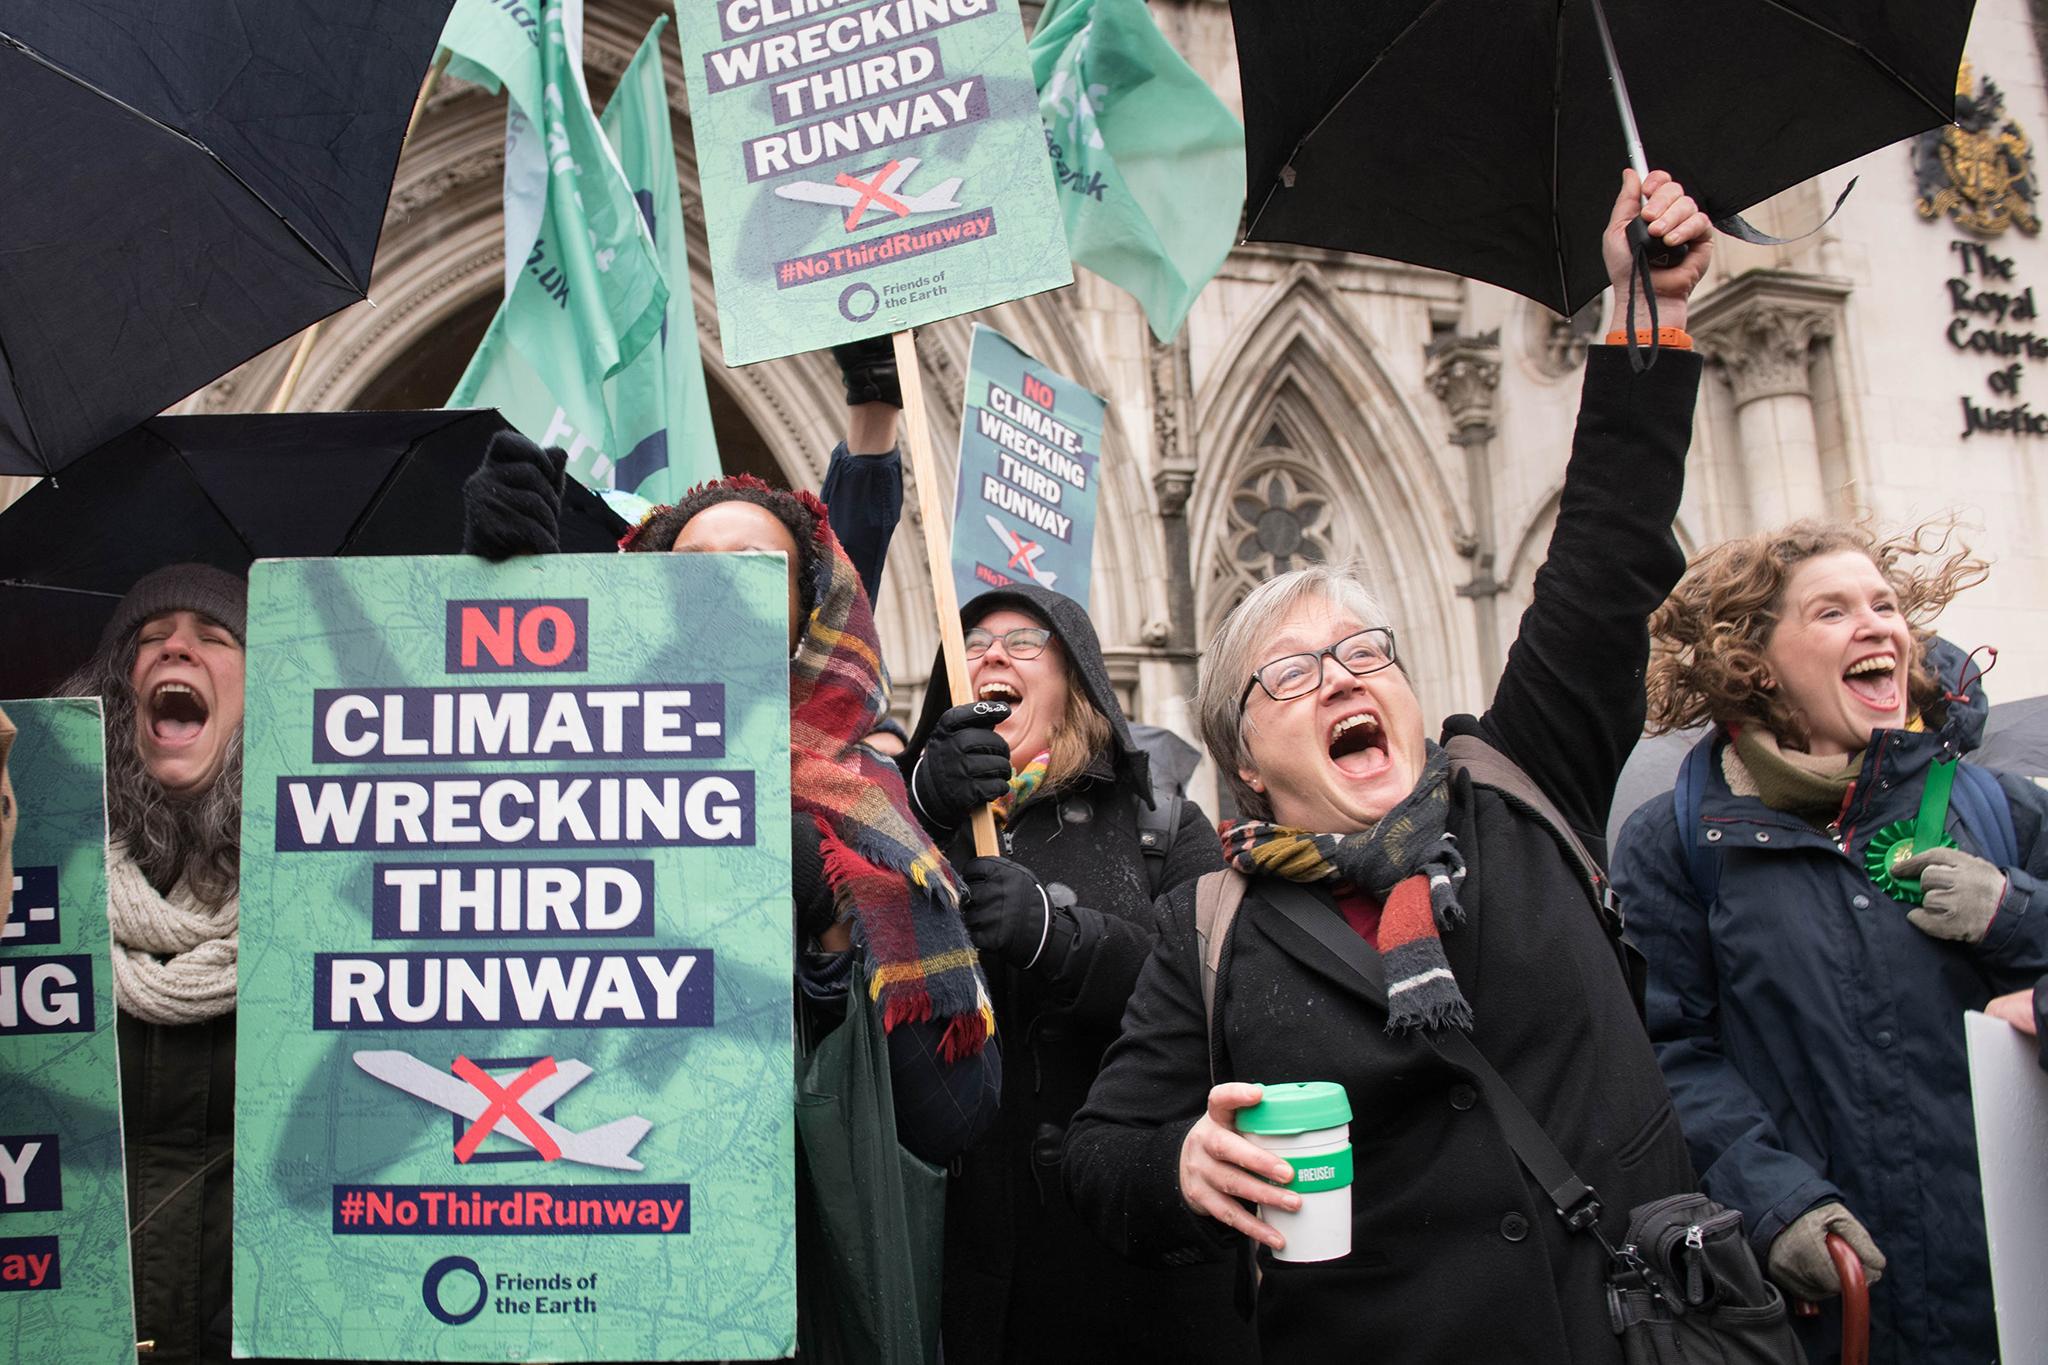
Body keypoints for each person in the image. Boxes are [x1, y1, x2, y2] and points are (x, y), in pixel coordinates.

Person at [1062, 171, 1714, 1365]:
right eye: (1295, 675)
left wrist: (1646, 317)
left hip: (1629, 1331)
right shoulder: (1206, 929)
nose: (1345, 679)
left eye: (1365, 654)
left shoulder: (1520, 792)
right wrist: (1183, 1165)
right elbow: (1103, 1158)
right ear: (1242, 763)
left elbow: (1608, 551)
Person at [463, 442, 1002, 1161]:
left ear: (808, 617)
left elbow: (955, 1116)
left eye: (754, 564)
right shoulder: (563, 758)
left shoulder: (868, 810)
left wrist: (831, 930)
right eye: (689, 569)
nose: (717, 583)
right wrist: (508, 603)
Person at [1611, 520, 2048, 1365]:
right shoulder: (1676, 843)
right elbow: (1665, 1053)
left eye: (1884, 605)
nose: (1876, 624)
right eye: (1833, 611)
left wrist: (2015, 910)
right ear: (1757, 663)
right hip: (1823, 1315)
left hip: (2014, 1295)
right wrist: (1774, 1202)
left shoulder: (1998, 805)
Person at [900, 583, 1244, 1364]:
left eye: (1025, 641)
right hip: (961, 1269)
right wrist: (918, 804)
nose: (993, 654)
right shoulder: (912, 821)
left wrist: (1056, 934)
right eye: (975, 643)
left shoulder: (1160, 824)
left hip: (1128, 1271)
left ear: (1078, 678)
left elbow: (1210, 987)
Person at [63, 563, 248, 1364]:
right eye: (150, 641)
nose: (176, 646)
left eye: (213, 637)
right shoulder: (35, 871)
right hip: (69, 1334)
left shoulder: (332, 893)